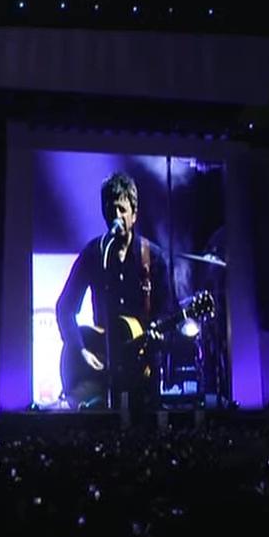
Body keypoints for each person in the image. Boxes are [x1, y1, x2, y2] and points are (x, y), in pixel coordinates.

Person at [54, 172, 172, 411]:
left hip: (142, 367)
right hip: (103, 369)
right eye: (110, 210)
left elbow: (167, 310)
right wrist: (81, 349)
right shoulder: (94, 253)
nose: (115, 217)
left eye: (121, 210)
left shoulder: (153, 257)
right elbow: (65, 307)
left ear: (134, 214)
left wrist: (160, 332)